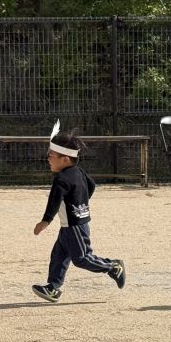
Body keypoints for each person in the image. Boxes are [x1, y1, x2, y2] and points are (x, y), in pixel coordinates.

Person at [32, 128, 125, 302]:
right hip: (71, 225)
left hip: (74, 226)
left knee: (82, 258)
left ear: (65, 159)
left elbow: (54, 200)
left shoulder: (61, 179)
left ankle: (113, 266)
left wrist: (45, 221)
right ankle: (52, 288)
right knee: (58, 257)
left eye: (51, 155)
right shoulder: (79, 171)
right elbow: (91, 185)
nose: (48, 159)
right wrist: (82, 203)